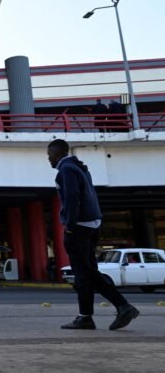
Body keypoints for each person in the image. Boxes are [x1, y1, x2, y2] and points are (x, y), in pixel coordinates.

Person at [47, 139, 139, 330]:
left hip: (79, 227)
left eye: (49, 156)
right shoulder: (80, 168)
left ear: (57, 154)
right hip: (91, 225)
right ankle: (85, 316)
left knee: (86, 272)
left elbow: (72, 199)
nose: (48, 160)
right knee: (83, 274)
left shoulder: (66, 170)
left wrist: (70, 226)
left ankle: (123, 306)